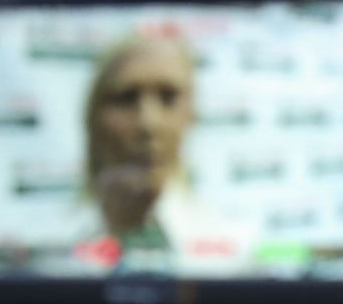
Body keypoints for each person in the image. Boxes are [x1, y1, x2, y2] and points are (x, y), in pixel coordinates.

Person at [68, 32, 247, 274]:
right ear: (93, 117)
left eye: (168, 97)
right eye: (126, 98)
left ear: (192, 114)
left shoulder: (234, 249)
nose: (148, 123)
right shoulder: (37, 250)